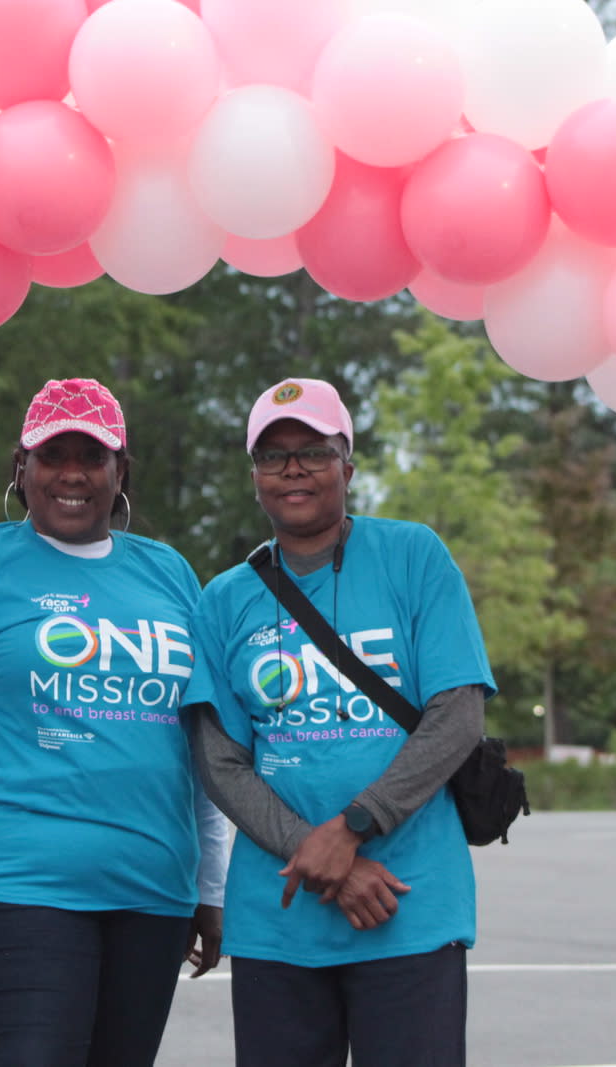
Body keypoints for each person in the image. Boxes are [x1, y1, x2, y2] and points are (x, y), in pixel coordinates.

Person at [0, 377, 230, 1067]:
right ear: (22, 467)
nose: (72, 471)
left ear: (119, 470)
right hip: (13, 876)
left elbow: (203, 741)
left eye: (91, 455)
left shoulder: (170, 575)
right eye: (52, 454)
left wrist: (213, 886)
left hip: (153, 886)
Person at [185, 376, 496, 1067]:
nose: (293, 468)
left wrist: (356, 825)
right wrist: (316, 851)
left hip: (409, 908)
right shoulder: (225, 599)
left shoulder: (414, 556)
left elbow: (457, 713)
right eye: (273, 455)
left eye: (314, 451)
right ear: (255, 476)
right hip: (280, 919)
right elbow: (220, 760)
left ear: (347, 466)